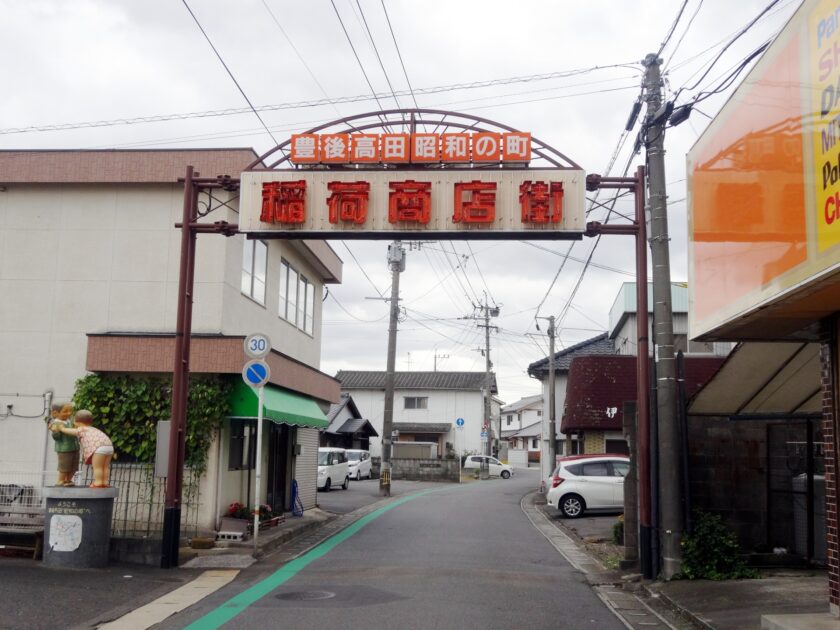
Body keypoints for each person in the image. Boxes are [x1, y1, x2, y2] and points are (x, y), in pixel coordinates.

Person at [52, 409, 114, 488]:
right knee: (105, 467)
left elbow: (70, 431)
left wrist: (61, 429)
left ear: (77, 422)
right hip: (109, 447)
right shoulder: (92, 429)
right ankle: (104, 482)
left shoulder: (82, 429)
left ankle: (98, 482)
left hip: (99, 449)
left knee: (97, 467)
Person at [47, 402, 79, 487]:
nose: (69, 413)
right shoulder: (56, 423)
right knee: (64, 466)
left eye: (70, 411)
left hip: (75, 447)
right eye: (65, 411)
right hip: (64, 449)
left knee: (74, 466)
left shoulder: (69, 421)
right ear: (55, 413)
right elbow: (57, 438)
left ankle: (67, 480)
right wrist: (55, 432)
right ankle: (60, 481)